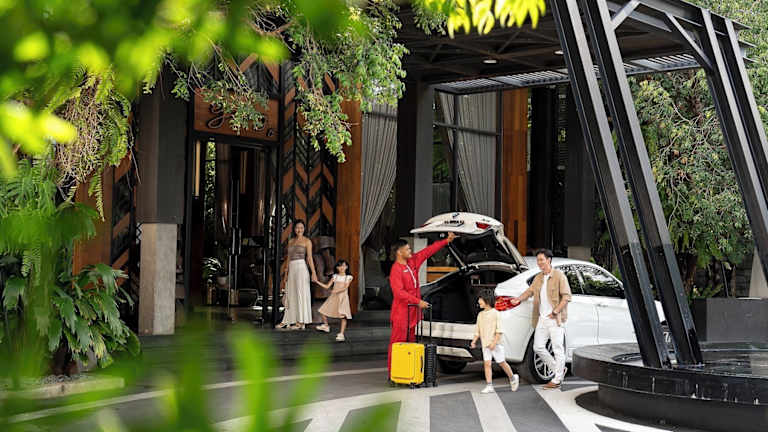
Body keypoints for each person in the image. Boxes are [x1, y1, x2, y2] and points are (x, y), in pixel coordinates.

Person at [387, 233, 456, 373]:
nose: (410, 251)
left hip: (413, 312)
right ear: (399, 252)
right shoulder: (396, 270)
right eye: (407, 249)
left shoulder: (412, 262)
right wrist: (418, 301)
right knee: (397, 343)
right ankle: (393, 373)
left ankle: (407, 372)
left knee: (411, 343)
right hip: (401, 313)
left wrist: (446, 241)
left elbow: (427, 251)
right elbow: (399, 293)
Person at [510, 248, 571, 389]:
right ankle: (559, 369)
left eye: (541, 260)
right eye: (538, 260)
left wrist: (555, 311)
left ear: (549, 260)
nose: (539, 263)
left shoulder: (559, 276)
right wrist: (518, 299)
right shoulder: (538, 278)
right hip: (541, 319)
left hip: (555, 319)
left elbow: (567, 297)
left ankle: (557, 379)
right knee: (538, 347)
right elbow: (530, 291)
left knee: (557, 348)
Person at [470, 293, 519, 394]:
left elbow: (499, 330)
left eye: (480, 299)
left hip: (495, 344)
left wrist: (494, 342)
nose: (478, 302)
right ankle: (489, 385)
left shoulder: (495, 313)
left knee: (501, 362)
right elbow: (477, 330)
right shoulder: (480, 315)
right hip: (485, 344)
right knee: (487, 364)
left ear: (487, 300)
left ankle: (513, 378)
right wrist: (474, 341)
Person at [277, 220, 318, 330]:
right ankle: (287, 320)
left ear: (304, 229)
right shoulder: (291, 241)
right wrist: (286, 273)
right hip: (292, 268)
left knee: (300, 293)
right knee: (290, 293)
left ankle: (300, 322)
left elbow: (309, 258)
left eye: (301, 227)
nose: (299, 230)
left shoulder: (307, 241)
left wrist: (313, 273)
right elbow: (288, 258)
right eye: (297, 228)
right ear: (294, 229)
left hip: (301, 268)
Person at [314, 259, 353, 341]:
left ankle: (341, 334)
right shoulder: (335, 276)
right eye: (340, 266)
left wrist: (336, 291)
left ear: (347, 267)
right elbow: (327, 286)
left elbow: (345, 287)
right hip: (334, 297)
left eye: (344, 266)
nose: (342, 267)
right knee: (322, 311)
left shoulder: (348, 277)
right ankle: (326, 325)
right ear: (337, 267)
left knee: (343, 316)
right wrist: (317, 282)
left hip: (342, 298)